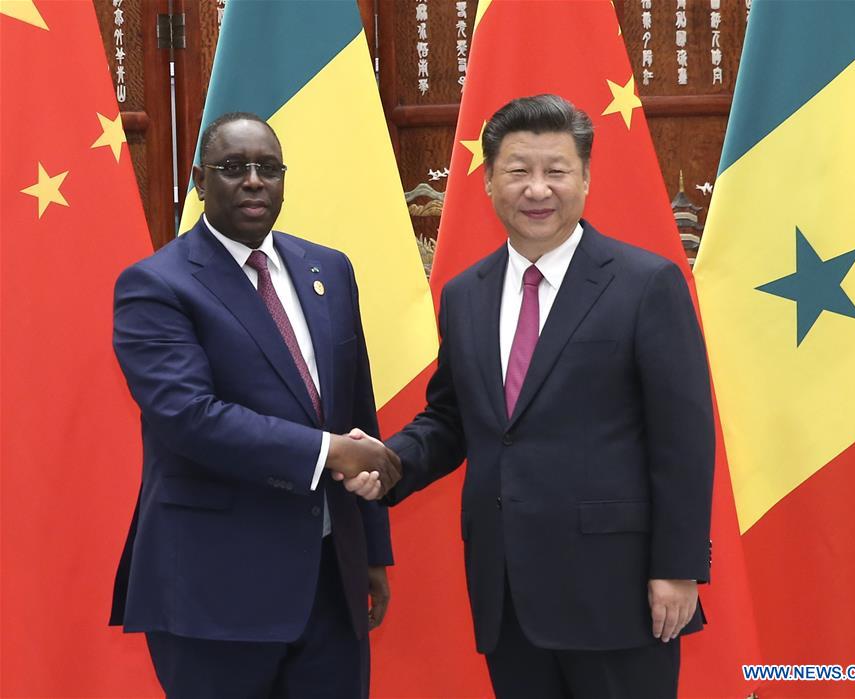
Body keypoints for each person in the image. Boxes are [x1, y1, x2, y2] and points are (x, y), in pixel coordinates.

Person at [352, 94, 714, 698]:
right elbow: (453, 418)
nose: (537, 189)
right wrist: (389, 463)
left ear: (586, 179)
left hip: (617, 591)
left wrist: (677, 569)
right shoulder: (467, 293)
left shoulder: (646, 283)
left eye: (556, 171)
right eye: (519, 171)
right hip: (506, 588)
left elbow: (684, 438)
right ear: (489, 180)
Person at [109, 112, 401, 699]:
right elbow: (190, 417)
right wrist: (326, 453)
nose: (252, 182)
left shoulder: (330, 270)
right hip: (215, 588)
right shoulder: (156, 285)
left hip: (328, 578)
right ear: (198, 180)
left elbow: (357, 417)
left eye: (268, 169)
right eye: (232, 168)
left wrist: (369, 549)